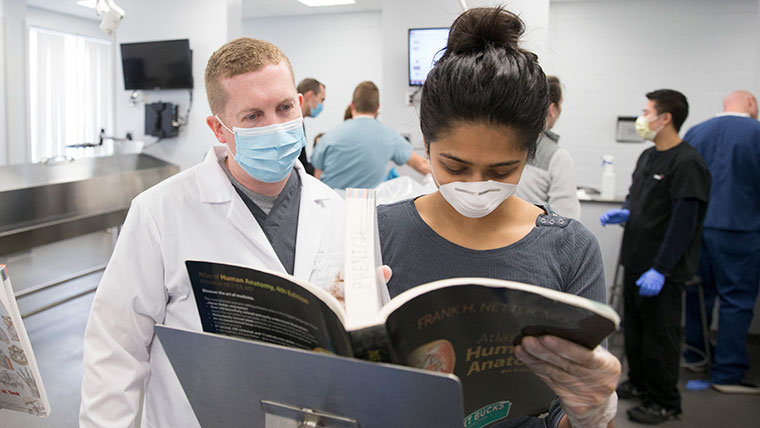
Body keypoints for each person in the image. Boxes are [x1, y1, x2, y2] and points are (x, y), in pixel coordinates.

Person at [79, 38, 346, 428]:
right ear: (219, 129)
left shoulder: (334, 209)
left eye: (284, 107)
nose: (275, 125)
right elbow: (116, 348)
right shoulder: (160, 212)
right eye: (252, 116)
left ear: (300, 106)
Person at [379, 7, 620, 428]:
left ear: (530, 152)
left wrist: (591, 411)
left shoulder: (569, 248)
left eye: (501, 170)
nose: (476, 185)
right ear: (425, 142)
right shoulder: (381, 231)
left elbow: (574, 405)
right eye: (454, 167)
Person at [601, 89, 710, 423]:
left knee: (660, 335)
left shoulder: (687, 163)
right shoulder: (648, 157)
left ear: (666, 119)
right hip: (636, 260)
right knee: (633, 331)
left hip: (663, 269)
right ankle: (641, 383)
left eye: (647, 112)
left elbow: (683, 224)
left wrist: (661, 270)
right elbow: (640, 201)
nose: (642, 118)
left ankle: (664, 401)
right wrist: (626, 213)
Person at [683, 90, 760, 394]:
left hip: (697, 229)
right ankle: (727, 373)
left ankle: (695, 356)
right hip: (740, 230)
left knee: (697, 296)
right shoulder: (756, 133)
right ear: (751, 105)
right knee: (736, 300)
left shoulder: (696, 132)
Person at [311, 81, 430, 189]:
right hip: (367, 208)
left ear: (352, 105)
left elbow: (316, 183)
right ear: (377, 107)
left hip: (332, 208)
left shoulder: (328, 138)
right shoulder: (389, 136)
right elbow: (422, 165)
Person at [516, 76, 581, 218]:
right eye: (560, 104)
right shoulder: (557, 156)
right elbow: (567, 218)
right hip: (536, 236)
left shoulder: (505, 145)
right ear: (552, 108)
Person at [296, 77, 326, 175]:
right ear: (310, 95)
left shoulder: (300, 123)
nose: (321, 105)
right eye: (321, 100)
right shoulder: (294, 124)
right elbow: (300, 166)